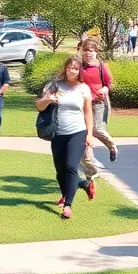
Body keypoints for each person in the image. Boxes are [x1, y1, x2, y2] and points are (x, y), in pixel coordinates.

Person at [35, 56, 97, 218]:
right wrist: (47, 99)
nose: (72, 71)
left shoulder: (83, 88)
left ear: (79, 71)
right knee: (60, 170)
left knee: (71, 166)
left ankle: (68, 204)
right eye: (70, 67)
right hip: (58, 132)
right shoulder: (55, 85)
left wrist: (89, 134)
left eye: (76, 68)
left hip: (77, 132)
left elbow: (88, 112)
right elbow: (39, 107)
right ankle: (83, 184)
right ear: (65, 68)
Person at [79, 38, 119, 162]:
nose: (89, 53)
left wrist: (105, 89)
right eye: (86, 50)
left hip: (98, 102)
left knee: (97, 130)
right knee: (83, 132)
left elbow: (109, 83)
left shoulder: (101, 67)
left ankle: (111, 146)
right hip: (83, 102)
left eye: (92, 50)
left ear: (96, 52)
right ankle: (89, 161)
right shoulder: (79, 66)